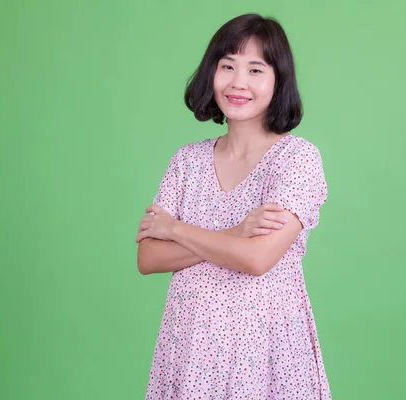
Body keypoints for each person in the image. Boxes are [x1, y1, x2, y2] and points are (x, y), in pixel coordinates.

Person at [136, 13, 332, 399]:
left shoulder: (296, 159)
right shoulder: (187, 161)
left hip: (265, 352)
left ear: (279, 81)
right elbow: (148, 258)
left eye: (255, 69)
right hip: (190, 346)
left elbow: (257, 259)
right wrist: (233, 233)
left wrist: (174, 229)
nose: (238, 83)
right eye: (227, 66)